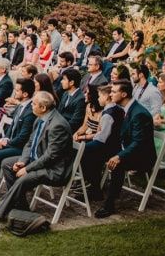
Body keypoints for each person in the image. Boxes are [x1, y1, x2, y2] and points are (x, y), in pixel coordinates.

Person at [0, 91, 73, 226]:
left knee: (24, 178)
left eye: (34, 104)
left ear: (43, 108)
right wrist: (22, 161)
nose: (31, 106)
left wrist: (27, 169)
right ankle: (21, 208)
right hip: (37, 160)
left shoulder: (57, 125)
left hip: (53, 169)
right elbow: (30, 143)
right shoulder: (40, 118)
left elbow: (51, 156)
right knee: (7, 163)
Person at [96, 80, 157, 218]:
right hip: (128, 149)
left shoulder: (138, 113)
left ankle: (109, 204)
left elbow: (138, 143)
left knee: (117, 163)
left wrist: (119, 156)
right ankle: (94, 189)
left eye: (113, 92)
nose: (110, 95)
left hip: (142, 157)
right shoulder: (125, 108)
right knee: (98, 151)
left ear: (124, 94)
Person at [75, 85, 124, 200]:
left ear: (107, 97)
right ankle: (94, 187)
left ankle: (94, 188)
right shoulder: (113, 110)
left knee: (83, 154)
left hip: (110, 148)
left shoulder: (108, 114)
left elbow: (101, 138)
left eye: (100, 96)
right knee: (85, 154)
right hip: (110, 144)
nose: (98, 99)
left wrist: (84, 146)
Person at [58, 68, 87, 133]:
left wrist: (59, 128)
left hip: (67, 130)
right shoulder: (65, 93)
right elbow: (59, 111)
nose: (61, 81)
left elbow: (75, 121)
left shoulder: (80, 99)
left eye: (64, 79)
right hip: (59, 125)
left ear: (71, 82)